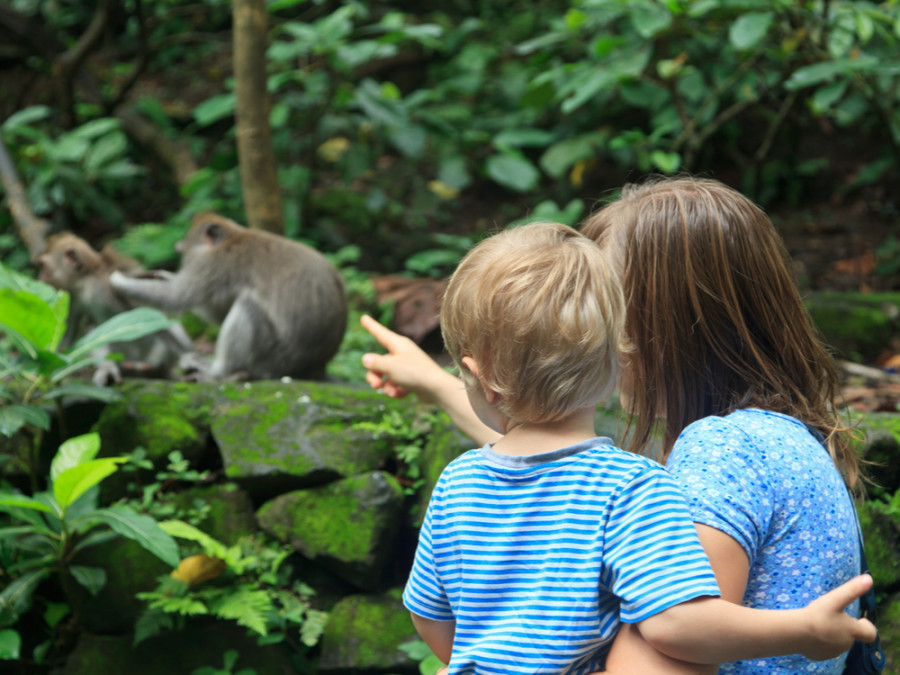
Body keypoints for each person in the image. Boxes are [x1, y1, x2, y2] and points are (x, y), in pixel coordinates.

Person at [360, 176, 874, 674]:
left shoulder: (724, 451)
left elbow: (672, 631)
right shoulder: (771, 438)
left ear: (662, 320)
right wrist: (432, 380)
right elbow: (549, 467)